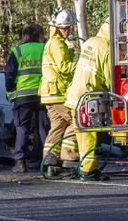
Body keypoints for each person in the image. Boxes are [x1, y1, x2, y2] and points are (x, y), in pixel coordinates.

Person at [64, 18, 111, 181]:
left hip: (75, 94)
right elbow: (109, 77)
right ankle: (88, 170)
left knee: (82, 133)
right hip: (87, 97)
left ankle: (87, 167)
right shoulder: (106, 47)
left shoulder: (91, 41)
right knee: (88, 135)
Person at [5, 24, 49, 172]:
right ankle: (47, 160)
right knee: (43, 128)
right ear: (39, 35)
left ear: (24, 36)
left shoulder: (17, 51)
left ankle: (21, 162)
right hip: (43, 95)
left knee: (22, 129)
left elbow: (9, 76)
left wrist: (10, 92)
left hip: (23, 96)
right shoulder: (45, 49)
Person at [40, 9, 80, 170]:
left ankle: (50, 161)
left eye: (69, 27)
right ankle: (68, 156)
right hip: (57, 93)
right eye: (64, 27)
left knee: (58, 126)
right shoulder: (57, 44)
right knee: (76, 122)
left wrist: (70, 51)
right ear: (56, 27)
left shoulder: (55, 43)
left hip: (51, 93)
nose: (67, 30)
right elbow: (63, 68)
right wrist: (81, 63)